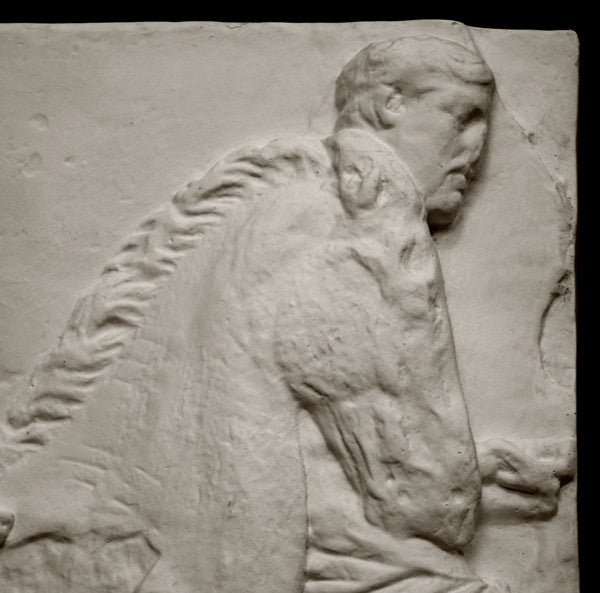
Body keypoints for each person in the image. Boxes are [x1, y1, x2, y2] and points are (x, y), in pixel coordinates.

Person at [0, 35, 573, 592]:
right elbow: (427, 499)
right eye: (463, 116)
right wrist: (459, 488)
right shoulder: (361, 214)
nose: (475, 148)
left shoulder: (280, 214)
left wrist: (487, 473)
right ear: (389, 105)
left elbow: (280, 432)